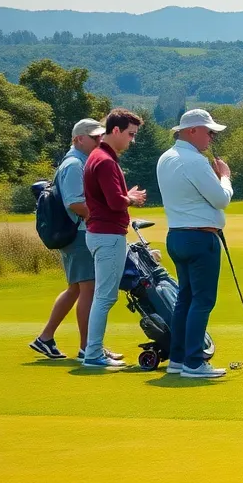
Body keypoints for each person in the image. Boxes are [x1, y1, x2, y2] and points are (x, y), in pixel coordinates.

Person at [156, 109, 234, 378]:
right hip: (200, 238)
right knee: (202, 300)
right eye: (208, 132)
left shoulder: (166, 158)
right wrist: (224, 176)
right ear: (192, 131)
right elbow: (221, 199)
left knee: (185, 300)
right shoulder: (195, 161)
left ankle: (178, 359)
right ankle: (193, 362)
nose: (211, 137)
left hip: (176, 235)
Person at [29, 119, 106, 360]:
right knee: (89, 289)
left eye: (100, 137)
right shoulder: (74, 164)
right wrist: (105, 216)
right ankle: (87, 347)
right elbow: (75, 203)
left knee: (76, 289)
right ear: (78, 139)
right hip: (80, 234)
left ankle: (45, 338)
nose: (99, 141)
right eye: (95, 138)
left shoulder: (82, 162)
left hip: (78, 233)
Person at [82, 108, 147, 369]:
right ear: (116, 130)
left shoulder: (99, 157)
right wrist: (129, 198)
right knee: (105, 297)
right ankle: (93, 353)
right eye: (130, 134)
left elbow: (111, 196)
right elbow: (114, 202)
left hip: (101, 233)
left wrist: (125, 195)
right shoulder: (106, 160)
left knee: (103, 295)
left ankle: (94, 350)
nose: (132, 140)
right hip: (107, 235)